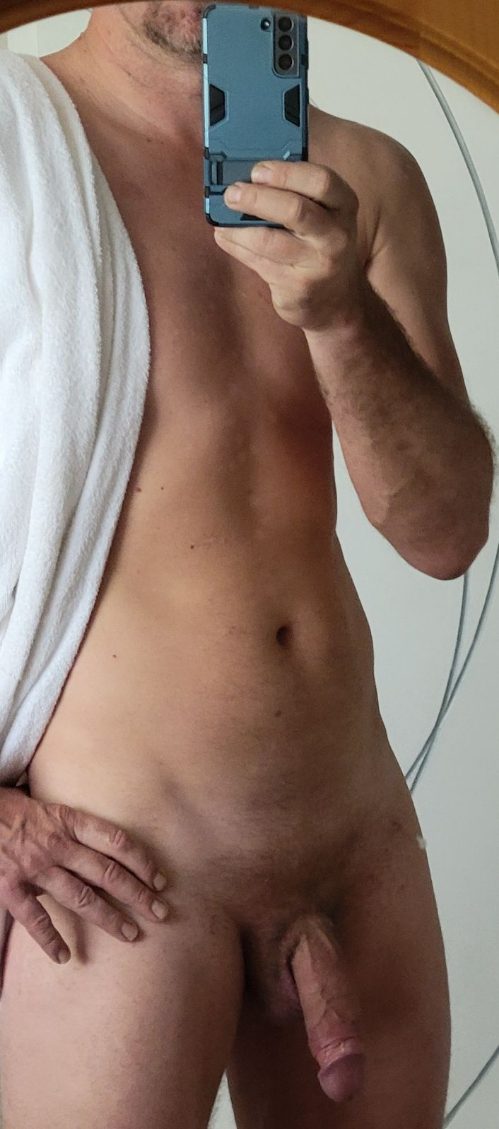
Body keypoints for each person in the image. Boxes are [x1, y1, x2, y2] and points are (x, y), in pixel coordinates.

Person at [0, 3, 495, 1127]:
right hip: (122, 864)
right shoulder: (13, 140)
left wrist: (340, 316)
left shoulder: (369, 175)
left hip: (354, 838)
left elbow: (445, 533)